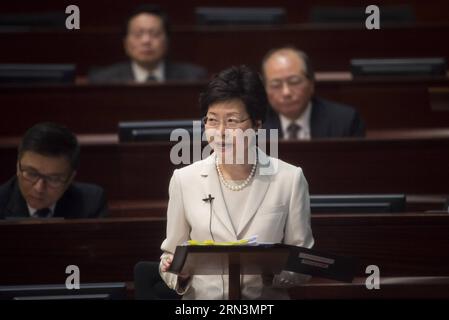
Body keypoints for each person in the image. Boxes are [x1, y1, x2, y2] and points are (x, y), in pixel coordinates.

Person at [159, 65, 314, 299]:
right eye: (212, 120)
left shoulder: (289, 179)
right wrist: (176, 272)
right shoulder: (184, 180)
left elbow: (303, 261)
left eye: (231, 121)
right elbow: (170, 255)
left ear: (257, 124)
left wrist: (272, 273)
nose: (220, 132)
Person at [0, 122, 108, 219]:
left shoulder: (91, 202)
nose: (39, 188)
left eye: (53, 179)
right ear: (18, 167)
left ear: (70, 178)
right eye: (32, 174)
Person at [262, 46, 365, 139]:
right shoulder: (257, 125)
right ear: (265, 88)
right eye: (275, 85)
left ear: (311, 83)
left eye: (294, 82)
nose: (286, 92)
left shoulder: (345, 121)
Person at [88, 5, 207, 83]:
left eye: (154, 34)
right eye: (138, 34)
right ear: (125, 43)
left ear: (167, 41)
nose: (146, 41)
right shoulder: (103, 80)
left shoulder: (193, 78)